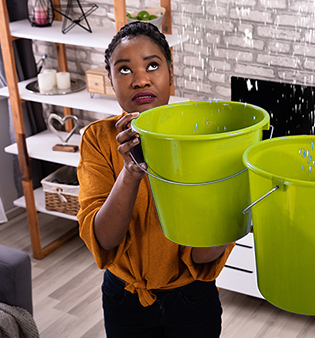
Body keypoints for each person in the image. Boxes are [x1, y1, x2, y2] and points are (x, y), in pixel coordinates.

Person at [77, 22, 234, 337]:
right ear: (109, 80)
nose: (140, 79)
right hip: (124, 299)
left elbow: (202, 255)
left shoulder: (197, 140)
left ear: (170, 73)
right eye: (124, 70)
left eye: (152, 65)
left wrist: (233, 218)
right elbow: (104, 240)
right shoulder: (97, 138)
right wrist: (131, 171)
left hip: (193, 298)